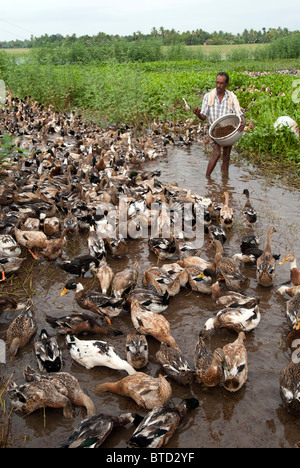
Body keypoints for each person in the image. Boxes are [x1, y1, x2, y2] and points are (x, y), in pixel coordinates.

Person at [193, 72, 245, 177]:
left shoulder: (231, 97)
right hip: (214, 131)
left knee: (226, 157)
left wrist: (242, 121)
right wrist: (198, 114)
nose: (218, 86)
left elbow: (238, 113)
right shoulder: (209, 97)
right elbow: (203, 117)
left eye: (221, 83)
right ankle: (207, 179)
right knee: (217, 154)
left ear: (227, 85)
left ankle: (224, 182)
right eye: (217, 83)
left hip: (228, 132)